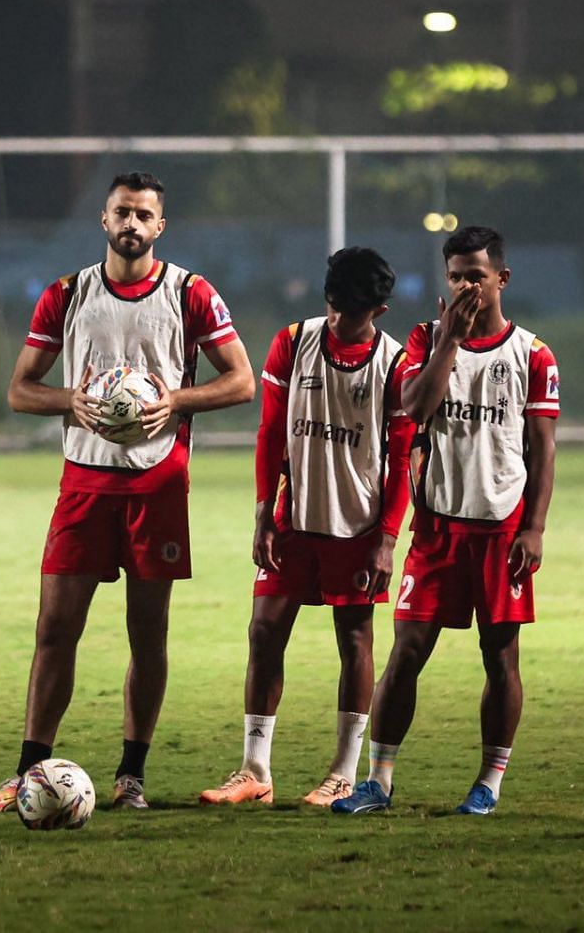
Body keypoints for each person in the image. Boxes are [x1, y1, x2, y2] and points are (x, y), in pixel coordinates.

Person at [0, 171, 255, 813]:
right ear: (103, 220)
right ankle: (28, 772)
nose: (132, 224)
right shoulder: (67, 295)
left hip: (159, 483)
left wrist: (175, 399)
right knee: (55, 628)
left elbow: (241, 382)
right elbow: (19, 390)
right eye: (122, 212)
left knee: (147, 634)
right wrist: (72, 400)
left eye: (143, 215)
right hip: (85, 481)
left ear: (159, 226)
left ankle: (131, 776)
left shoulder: (190, 293)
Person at [333, 225, 559, 817]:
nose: (464, 286)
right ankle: (377, 781)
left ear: (501, 279)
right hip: (436, 530)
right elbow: (414, 406)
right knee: (406, 651)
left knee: (499, 656)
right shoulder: (425, 339)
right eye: (455, 275)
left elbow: (543, 447)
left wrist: (534, 528)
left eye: (475, 276)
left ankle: (488, 783)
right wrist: (448, 346)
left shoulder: (532, 354)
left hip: (501, 529)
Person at [199, 247, 414, 809]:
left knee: (355, 638)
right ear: (327, 296)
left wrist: (387, 540)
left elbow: (402, 459)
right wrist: (263, 513)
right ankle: (255, 770)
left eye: (356, 312)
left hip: (357, 524)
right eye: (336, 307)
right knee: (264, 631)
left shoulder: (393, 365)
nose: (341, 320)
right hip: (292, 520)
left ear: (380, 310)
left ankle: (343, 772)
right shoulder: (293, 343)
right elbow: (271, 432)